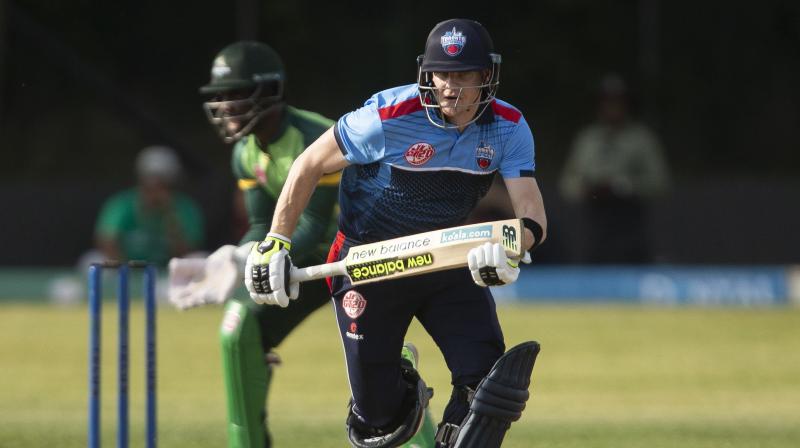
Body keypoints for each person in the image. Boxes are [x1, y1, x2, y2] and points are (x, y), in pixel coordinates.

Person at [244, 19, 545, 448]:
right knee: (379, 422)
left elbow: (531, 214)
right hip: (368, 263)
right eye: (443, 75)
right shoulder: (385, 118)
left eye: (463, 75)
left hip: (445, 256)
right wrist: (276, 241)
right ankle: (399, 375)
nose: (450, 88)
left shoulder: (509, 128)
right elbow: (309, 163)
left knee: (486, 387)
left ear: (486, 76)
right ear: (428, 74)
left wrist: (508, 247)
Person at [166, 41, 436, 448]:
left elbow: (316, 221)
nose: (225, 106)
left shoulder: (313, 136)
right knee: (239, 329)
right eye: (220, 97)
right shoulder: (245, 152)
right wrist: (232, 257)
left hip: (367, 253)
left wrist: (247, 258)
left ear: (270, 91)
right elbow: (262, 222)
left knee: (377, 364)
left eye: (236, 94)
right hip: (309, 262)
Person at [559, 73, 670, 263]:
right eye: (607, 101)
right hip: (593, 220)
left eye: (617, 101)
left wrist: (623, 187)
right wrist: (588, 190)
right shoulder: (587, 139)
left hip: (630, 219)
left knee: (631, 262)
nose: (612, 107)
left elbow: (660, 182)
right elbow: (568, 183)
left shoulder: (641, 139)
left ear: (627, 104)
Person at [94, 145, 205, 266]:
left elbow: (186, 252)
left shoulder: (185, 208)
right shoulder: (121, 204)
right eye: (150, 182)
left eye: (162, 183)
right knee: (93, 259)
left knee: (200, 258)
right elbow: (107, 242)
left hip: (168, 272)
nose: (155, 190)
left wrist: (169, 215)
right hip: (125, 271)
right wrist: (128, 269)